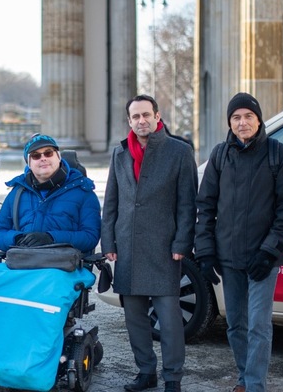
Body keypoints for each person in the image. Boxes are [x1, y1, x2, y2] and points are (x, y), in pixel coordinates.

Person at [195, 92, 283, 392]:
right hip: (228, 257)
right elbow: (206, 206)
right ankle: (245, 377)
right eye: (236, 117)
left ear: (258, 120)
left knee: (258, 325)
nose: (242, 123)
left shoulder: (278, 154)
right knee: (236, 325)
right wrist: (205, 252)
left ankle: (255, 385)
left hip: (262, 259)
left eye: (248, 116)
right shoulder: (220, 155)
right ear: (230, 122)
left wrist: (269, 252)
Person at [100, 94, 197, 392]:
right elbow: (111, 202)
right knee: (135, 319)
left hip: (164, 248)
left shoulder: (179, 151)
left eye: (146, 115)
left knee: (169, 320)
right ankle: (146, 372)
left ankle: (173, 377)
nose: (141, 121)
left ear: (157, 116)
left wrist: (182, 243)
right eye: (135, 116)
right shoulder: (119, 154)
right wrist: (108, 242)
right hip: (127, 248)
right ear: (129, 121)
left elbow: (187, 204)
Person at [0, 134, 101, 254]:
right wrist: (17, 239)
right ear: (29, 163)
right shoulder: (17, 192)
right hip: (24, 259)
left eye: (48, 153)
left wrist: (51, 238)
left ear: (58, 157)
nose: (43, 158)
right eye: (36, 155)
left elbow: (90, 236)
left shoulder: (83, 191)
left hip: (65, 262)